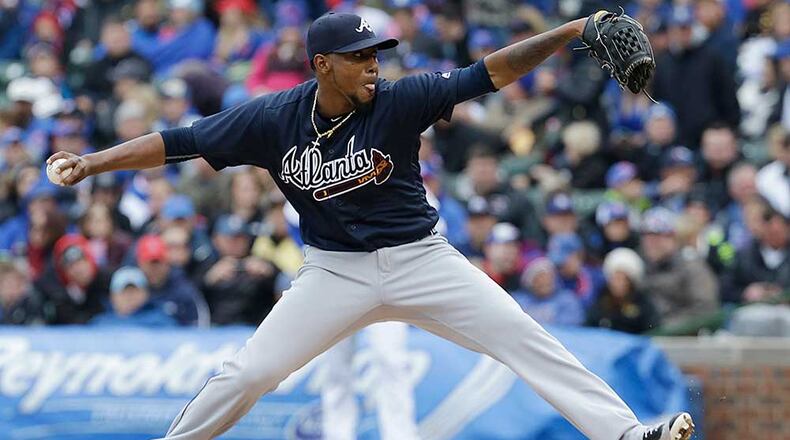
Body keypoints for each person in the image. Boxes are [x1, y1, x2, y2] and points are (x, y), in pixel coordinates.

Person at [46, 11, 694, 440]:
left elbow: (490, 72)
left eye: (376, 53)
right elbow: (181, 140)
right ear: (322, 64)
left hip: (421, 259)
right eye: (359, 56)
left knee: (525, 338)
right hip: (334, 272)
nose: (374, 64)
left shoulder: (401, 99)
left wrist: (574, 28)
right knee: (247, 375)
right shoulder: (274, 118)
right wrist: (93, 162)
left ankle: (629, 435)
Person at [587, 248, 661, 334]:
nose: (619, 284)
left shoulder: (642, 304)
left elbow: (652, 330)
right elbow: (589, 328)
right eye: (616, 278)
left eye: (624, 279)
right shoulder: (601, 301)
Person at [91, 266, 179, 327]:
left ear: (146, 294)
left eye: (134, 291)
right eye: (123, 291)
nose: (129, 297)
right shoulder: (100, 324)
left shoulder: (161, 323)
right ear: (112, 296)